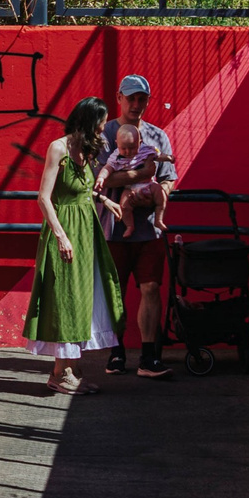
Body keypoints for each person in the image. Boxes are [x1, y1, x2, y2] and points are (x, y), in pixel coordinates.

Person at [22, 97, 126, 393]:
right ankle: (59, 374)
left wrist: (104, 199)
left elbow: (82, 191)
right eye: (101, 123)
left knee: (83, 296)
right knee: (64, 297)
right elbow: (44, 197)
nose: (104, 129)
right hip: (66, 231)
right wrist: (61, 235)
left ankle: (71, 368)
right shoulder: (59, 148)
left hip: (86, 233)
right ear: (88, 122)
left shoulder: (86, 151)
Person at [99, 72, 176, 379]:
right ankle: (116, 353)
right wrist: (143, 175)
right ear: (118, 98)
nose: (135, 104)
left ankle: (148, 356)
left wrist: (156, 195)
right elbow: (99, 180)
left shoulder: (158, 137)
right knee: (113, 292)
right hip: (113, 228)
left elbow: (169, 178)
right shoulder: (105, 135)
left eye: (141, 98)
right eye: (130, 98)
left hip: (149, 230)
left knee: (151, 287)